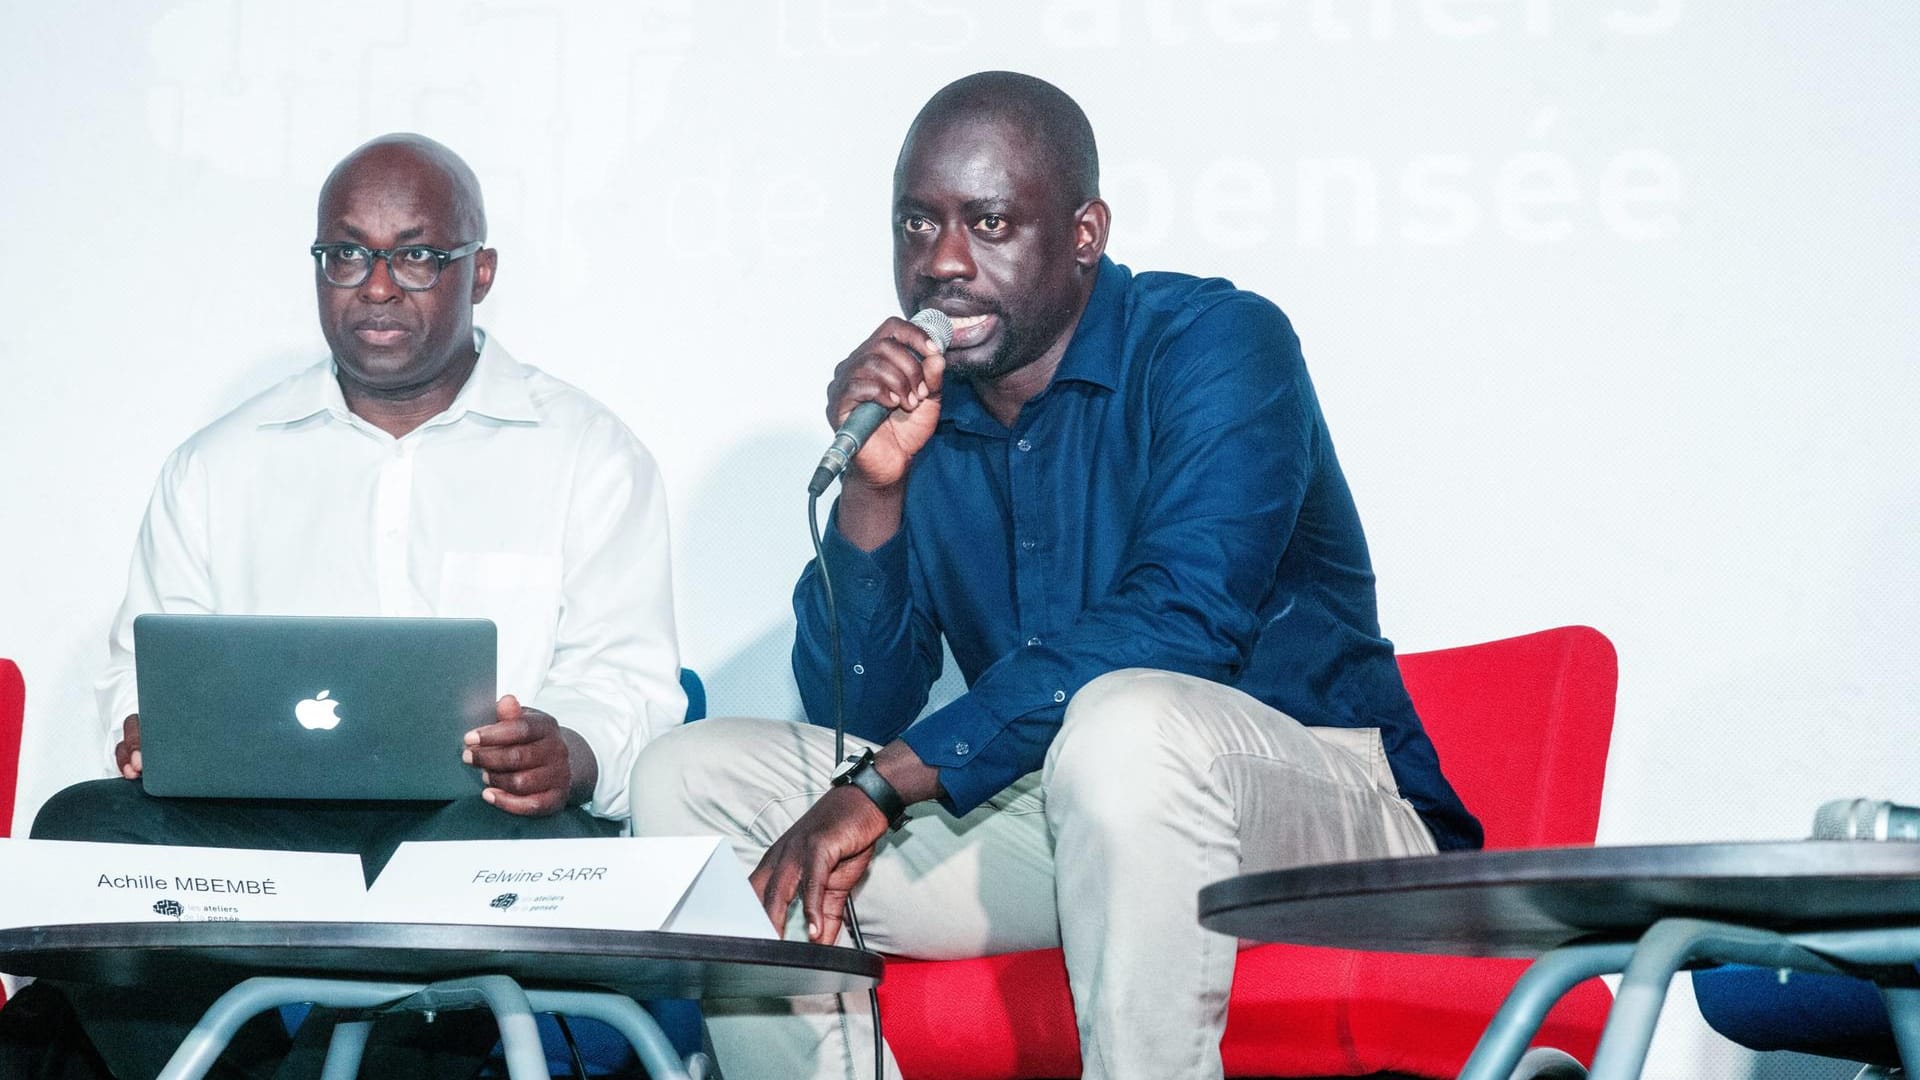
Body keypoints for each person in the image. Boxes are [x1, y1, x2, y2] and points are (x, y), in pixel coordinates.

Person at [628, 72, 1482, 1080]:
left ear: (1085, 233)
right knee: (687, 777)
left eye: (988, 222)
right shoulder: (924, 414)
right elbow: (860, 708)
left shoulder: (1217, 344)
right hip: (1078, 812)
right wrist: (874, 492)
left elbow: (1182, 622)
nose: (942, 261)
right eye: (917, 223)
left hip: (1328, 818)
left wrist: (888, 780)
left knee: (1125, 726)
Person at [21, 133, 685, 1080]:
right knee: (80, 830)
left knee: (484, 864)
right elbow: (142, 659)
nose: (375, 284)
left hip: (479, 826)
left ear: (480, 272)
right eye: (345, 254)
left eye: (415, 254)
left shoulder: (588, 454)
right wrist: (146, 726)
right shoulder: (219, 464)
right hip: (268, 841)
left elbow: (633, 686)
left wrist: (567, 751)